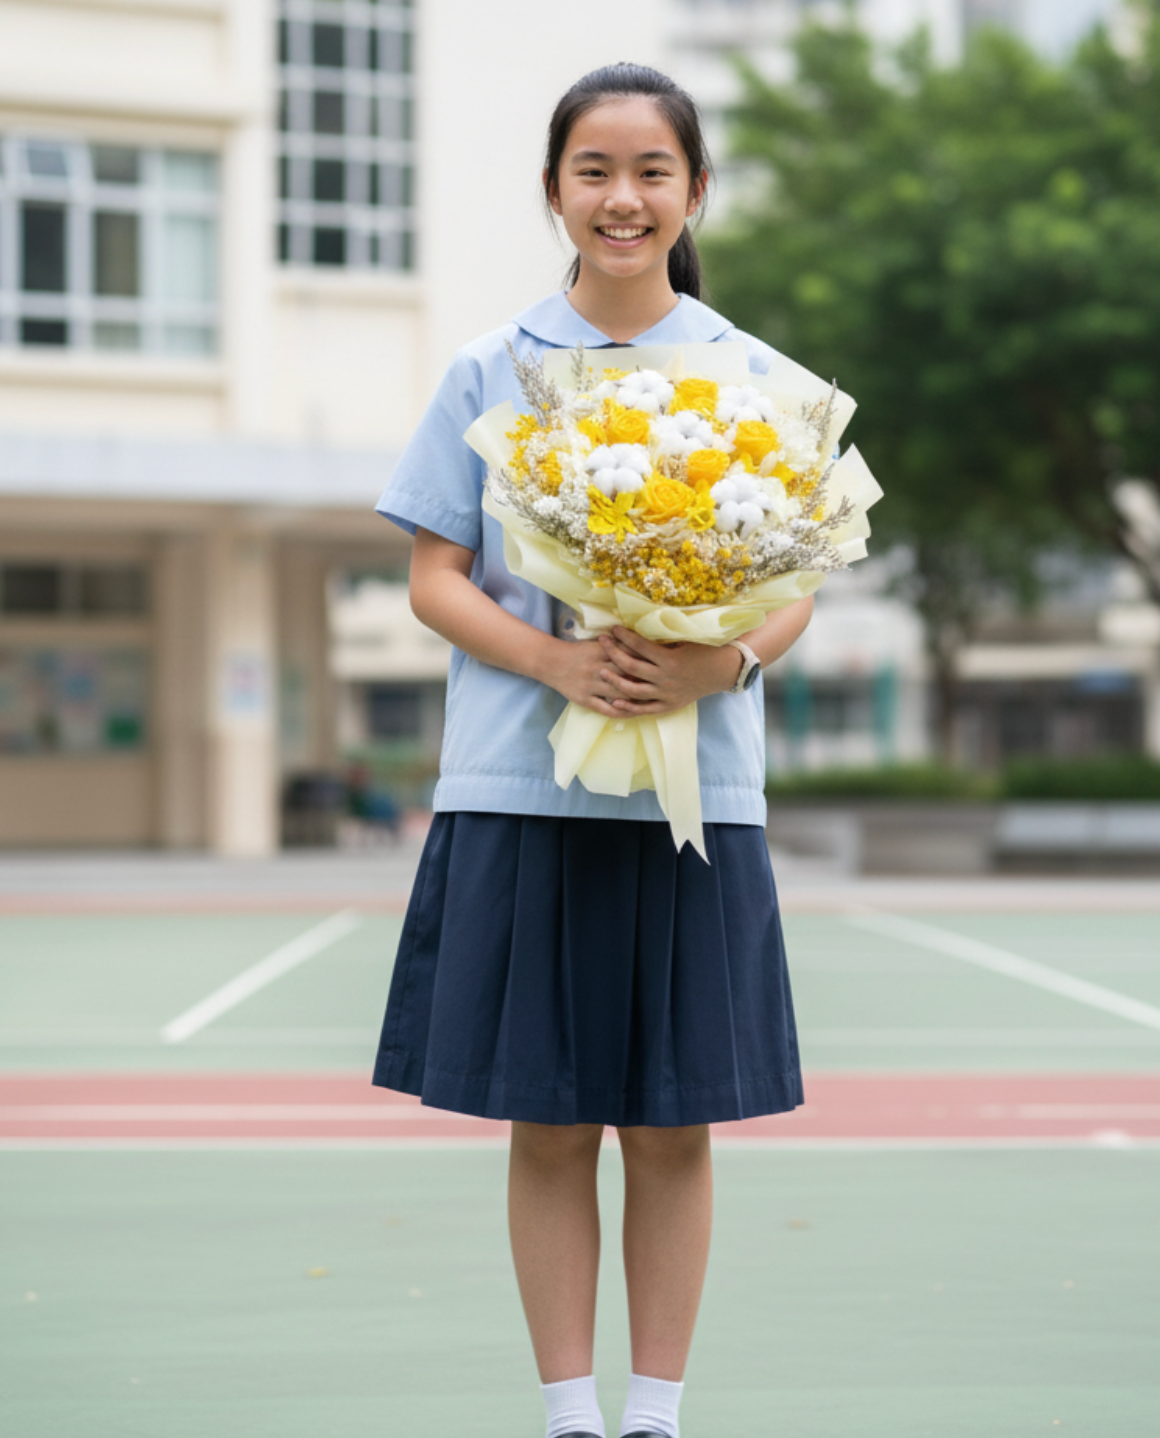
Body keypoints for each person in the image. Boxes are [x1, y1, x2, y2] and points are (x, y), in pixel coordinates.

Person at [373, 62, 813, 1438]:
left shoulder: (759, 378)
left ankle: (655, 1412)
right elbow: (436, 576)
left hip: (698, 801)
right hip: (521, 786)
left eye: (651, 173)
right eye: (593, 171)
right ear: (555, 190)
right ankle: (569, 1408)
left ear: (692, 192)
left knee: (673, 1122)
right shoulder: (485, 369)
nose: (622, 198)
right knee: (551, 1117)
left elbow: (795, 578)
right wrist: (559, 658)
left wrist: (722, 655)